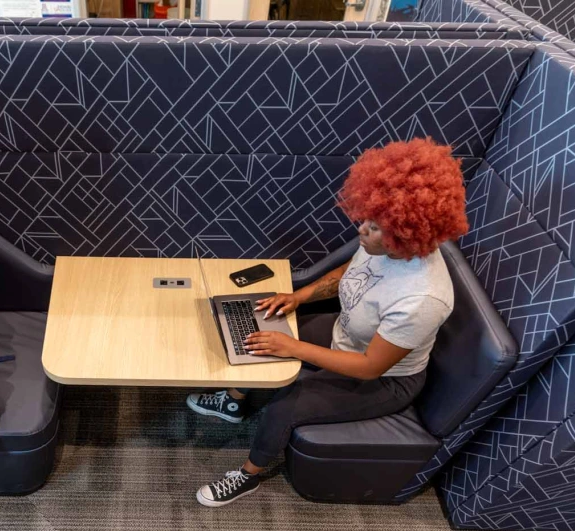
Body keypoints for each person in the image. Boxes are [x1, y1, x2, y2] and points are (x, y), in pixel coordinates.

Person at [187, 137, 469, 507]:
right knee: (260, 329)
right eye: (366, 220)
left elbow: (370, 368)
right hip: (347, 332)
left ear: (406, 232)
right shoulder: (385, 246)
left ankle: (246, 476)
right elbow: (348, 272)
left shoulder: (422, 299)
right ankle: (233, 402)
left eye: (374, 228)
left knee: (283, 408)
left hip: (385, 380)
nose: (361, 231)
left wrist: (293, 347)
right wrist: (299, 297)